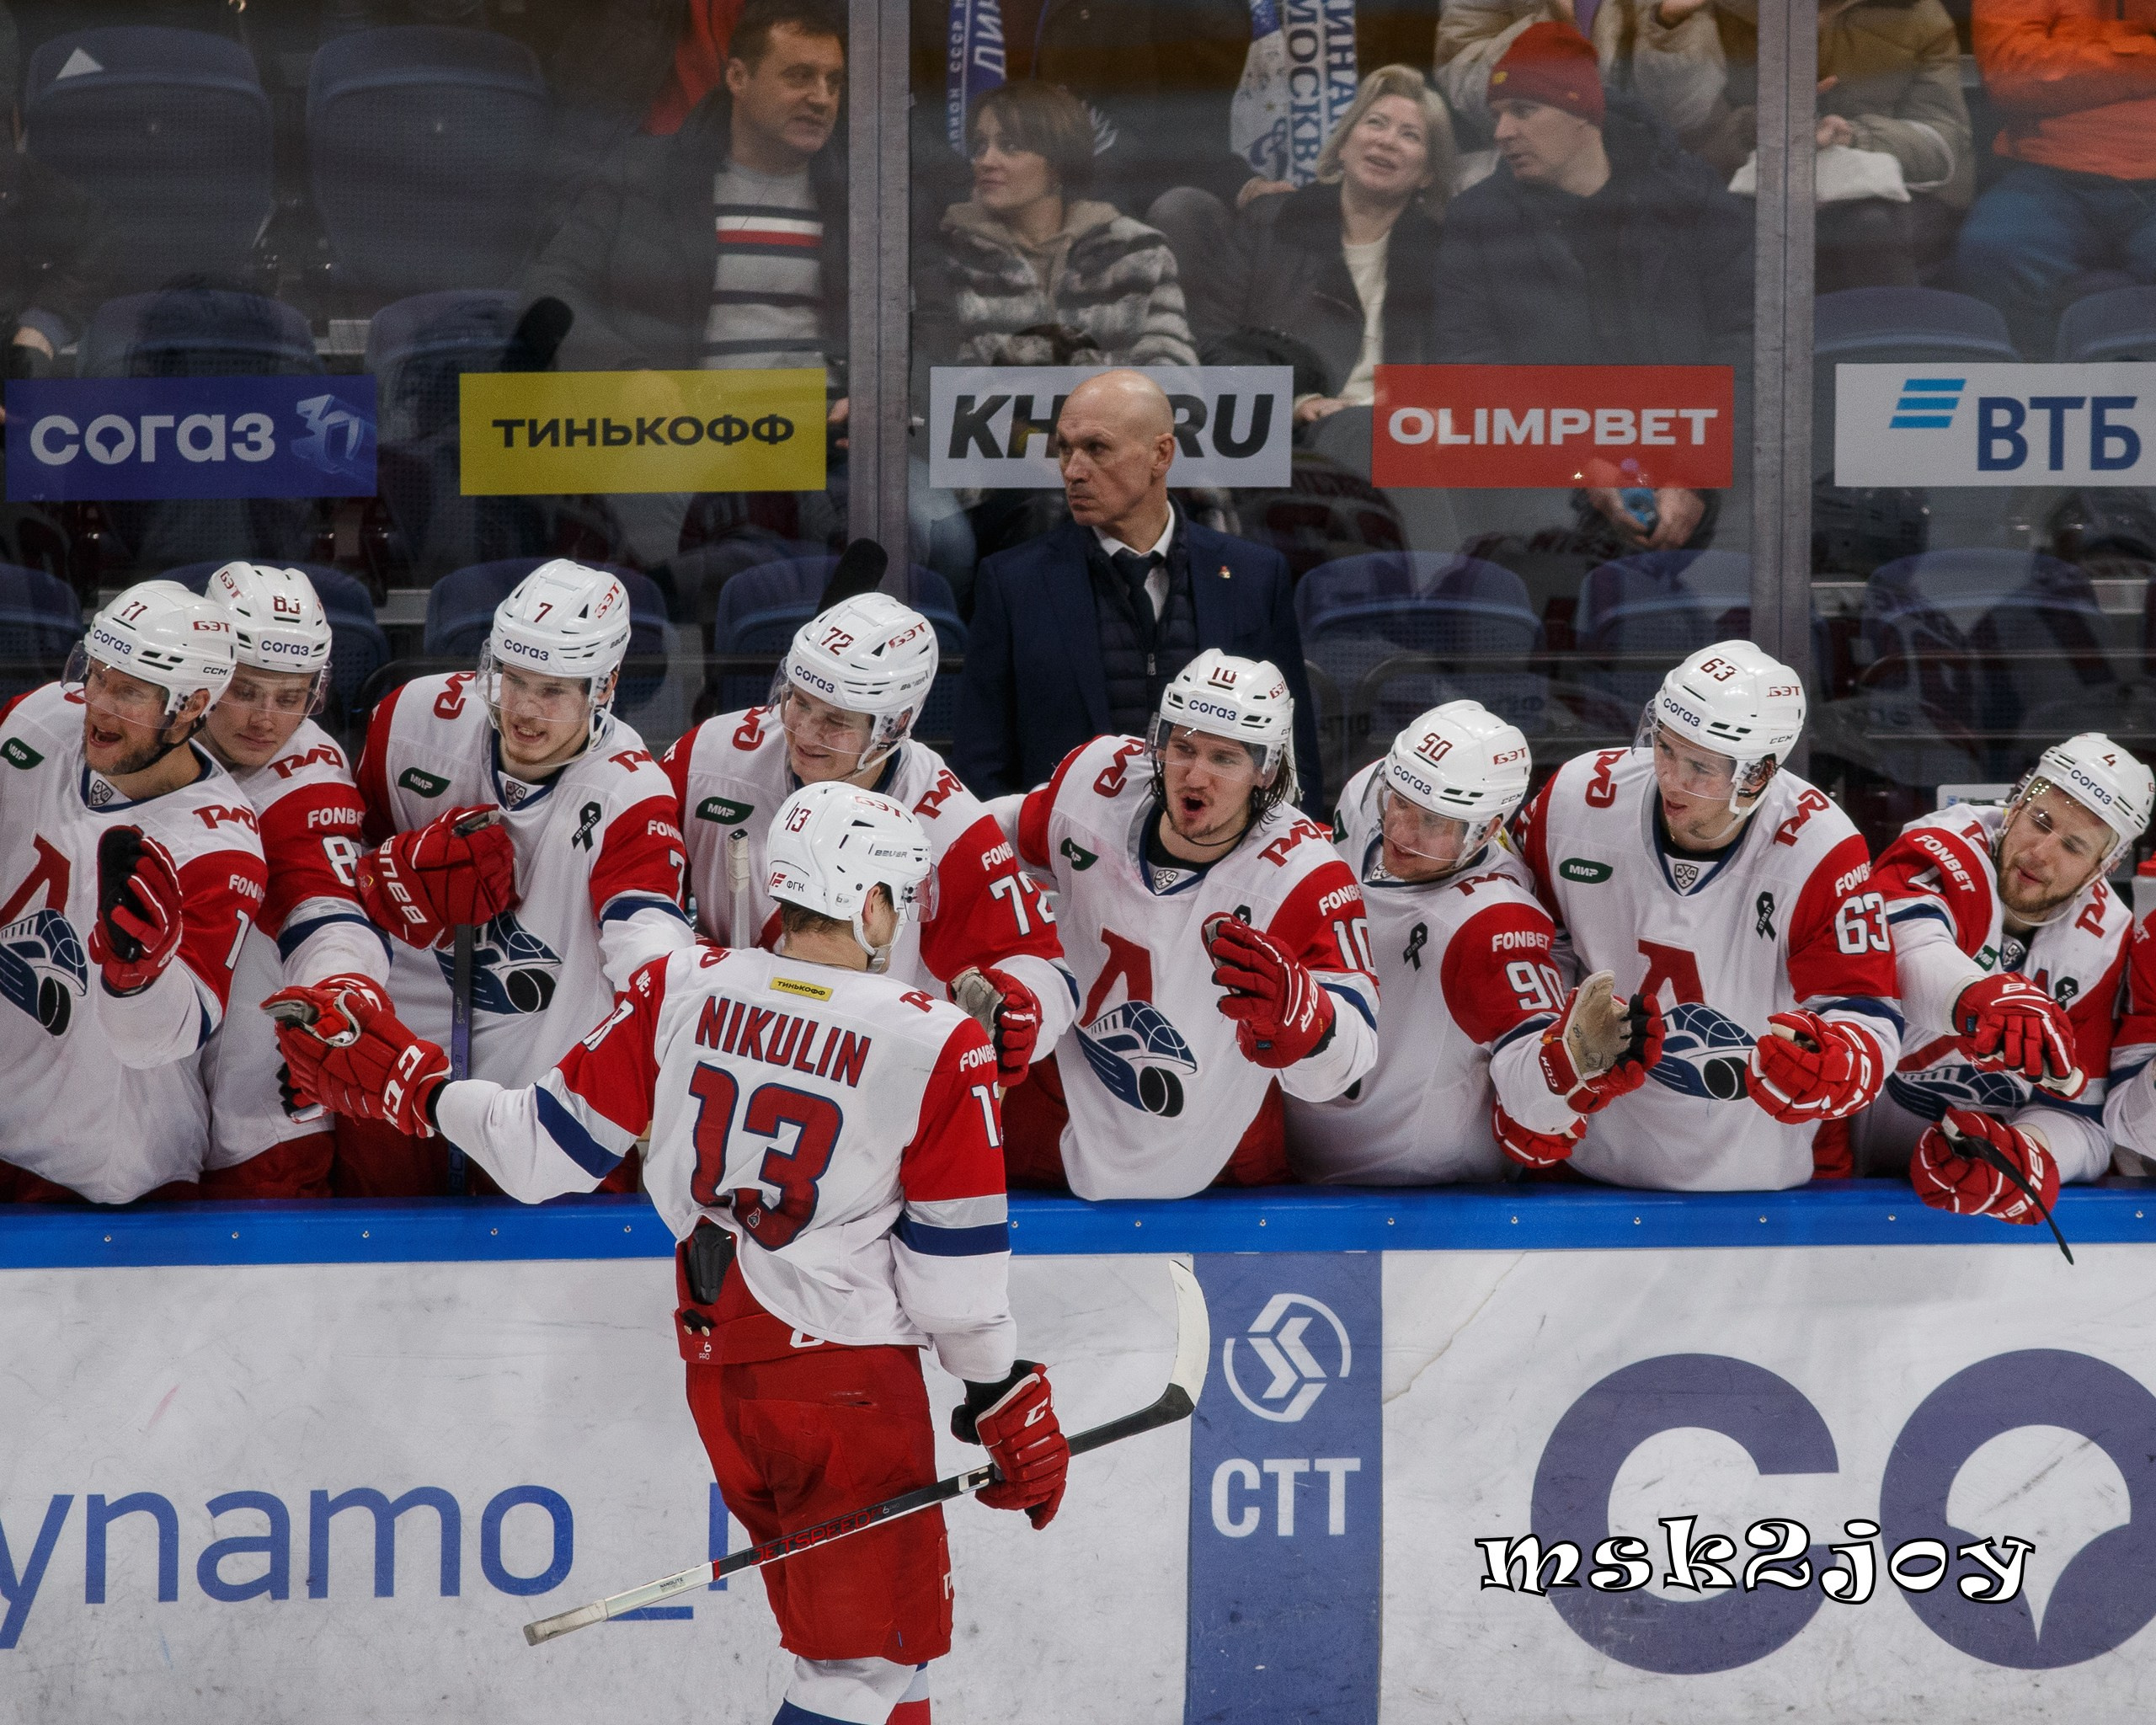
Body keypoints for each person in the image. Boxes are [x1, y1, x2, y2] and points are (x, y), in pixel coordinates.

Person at [269, 779, 1068, 1725]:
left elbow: (537, 1151)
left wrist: (419, 1088)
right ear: (868, 902)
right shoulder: (937, 1040)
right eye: (897, 896)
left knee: (893, 1659)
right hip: (845, 1388)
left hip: (724, 1371)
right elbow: (954, 1271)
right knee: (857, 1671)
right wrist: (996, 1387)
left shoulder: (682, 985)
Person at [344, 559, 693, 1194]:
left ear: (605, 686)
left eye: (554, 691)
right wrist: (381, 878)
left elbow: (649, 951)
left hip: (539, 1100)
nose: (525, 711)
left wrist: (676, 994)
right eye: (513, 680)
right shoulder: (412, 720)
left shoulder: (631, 794)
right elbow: (340, 868)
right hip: (393, 1075)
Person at [1511, 641, 1903, 1188]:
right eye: (1665, 747)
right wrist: (1546, 1058)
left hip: (1754, 1177)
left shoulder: (1821, 848)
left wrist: (1834, 1066)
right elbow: (1525, 942)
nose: (1671, 778)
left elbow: (1866, 1012)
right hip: (1586, 1165)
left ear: (1759, 774)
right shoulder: (1575, 799)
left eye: (1701, 767)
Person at [999, 649, 1379, 1194]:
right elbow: (991, 844)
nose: (1194, 775)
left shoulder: (1306, 876)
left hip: (1214, 1137)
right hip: (1063, 1092)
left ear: (1267, 770)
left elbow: (1344, 1067)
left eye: (1223, 758)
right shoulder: (1095, 781)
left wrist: (1309, 1020)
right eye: (1183, 747)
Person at [663, 589, 1076, 1090]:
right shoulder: (711, 756)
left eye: (835, 721)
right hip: (716, 1061)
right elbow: (640, 885)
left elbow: (1039, 963)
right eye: (798, 701)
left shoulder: (948, 826)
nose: (804, 732)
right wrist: (681, 957)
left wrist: (1021, 1008)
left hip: (865, 1088)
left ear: (893, 726)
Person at [1287, 701, 1664, 1183]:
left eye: (1433, 822)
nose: (1400, 831)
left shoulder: (1495, 921)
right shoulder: (1365, 794)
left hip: (1410, 1192)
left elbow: (1531, 1098)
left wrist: (1566, 1063)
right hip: (1292, 1148)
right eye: (1399, 802)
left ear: (1486, 830)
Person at [1431, 20, 1753, 553]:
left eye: (1523, 111)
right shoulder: (1479, 219)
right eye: (1497, 115)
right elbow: (1472, 370)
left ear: (1583, 114)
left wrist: (1694, 473)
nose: (1502, 132)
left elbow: (1746, 340)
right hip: (1552, 493)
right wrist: (1583, 468)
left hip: (1705, 480)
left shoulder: (1688, 196)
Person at [0, 582, 265, 1204]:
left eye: (130, 692)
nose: (98, 705)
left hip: (100, 1166)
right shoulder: (38, 719)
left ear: (192, 705)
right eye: (96, 675)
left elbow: (163, 1040)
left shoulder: (217, 845)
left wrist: (139, 978)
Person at [955, 368, 1324, 804]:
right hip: (1062, 842)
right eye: (1065, 449)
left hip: (1222, 839)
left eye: (1096, 448)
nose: (1073, 470)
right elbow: (981, 763)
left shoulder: (1254, 576)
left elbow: (1291, 752)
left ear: (1161, 455)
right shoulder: (1013, 583)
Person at [1857, 736, 2146, 1223]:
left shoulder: (2106, 942)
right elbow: (1902, 955)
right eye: (2041, 821)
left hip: (1983, 1203)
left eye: (2073, 846)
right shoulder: (1944, 844)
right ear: (2017, 803)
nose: (2040, 853)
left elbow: (2085, 1122)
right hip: (1857, 1181)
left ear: (2104, 867)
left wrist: (2022, 1152)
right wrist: (1979, 997)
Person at [193, 563, 391, 1200]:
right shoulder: (132, 728)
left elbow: (326, 911)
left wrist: (340, 994)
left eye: (291, 697)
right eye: (245, 690)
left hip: (257, 1103)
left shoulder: (308, 775)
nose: (266, 720)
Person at [524, 0, 848, 382]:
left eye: (834, 82)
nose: (822, 98)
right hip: (682, 415)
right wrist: (624, 376)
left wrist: (868, 395)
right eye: (799, 77)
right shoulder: (642, 175)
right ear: (738, 78)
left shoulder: (866, 195)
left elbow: (910, 321)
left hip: (824, 417)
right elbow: (548, 288)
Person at [1184, 65, 1455, 427]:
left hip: (1398, 429)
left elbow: (1457, 367)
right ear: (1343, 143)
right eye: (1375, 123)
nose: (1387, 141)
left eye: (1410, 135)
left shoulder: (1443, 251)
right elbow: (1211, 339)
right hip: (1287, 429)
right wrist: (1295, 403)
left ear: (1427, 174)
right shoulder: (1273, 222)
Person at [1693, 1, 1972, 294]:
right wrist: (1767, 126)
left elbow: (1944, 142)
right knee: (1730, 225)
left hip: (1892, 192)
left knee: (1870, 223)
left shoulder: (1917, 14)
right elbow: (1694, 140)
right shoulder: (1723, 11)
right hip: (1757, 180)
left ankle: (1890, 321)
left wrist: (1853, 136)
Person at [915, 80, 1198, 369]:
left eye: (1009, 146)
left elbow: (1172, 377)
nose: (985, 161)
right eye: (980, 146)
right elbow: (945, 383)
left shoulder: (1135, 253)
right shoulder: (951, 259)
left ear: (1058, 163)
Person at [1956, 0, 2156, 359]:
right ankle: (2030, 385)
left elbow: (2038, 71)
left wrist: (2071, 59)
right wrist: (2145, 51)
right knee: (1992, 251)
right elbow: (2011, 77)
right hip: (2046, 172)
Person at [1433, 0, 1726, 151]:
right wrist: (1555, 27)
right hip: (1525, 165)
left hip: (1644, 173)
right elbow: (1464, 81)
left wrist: (1667, 24)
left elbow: (1685, 113)